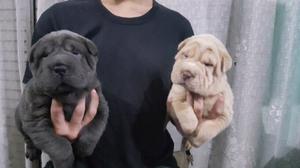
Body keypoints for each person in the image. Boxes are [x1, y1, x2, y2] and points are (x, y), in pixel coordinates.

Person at [23, 0, 223, 167]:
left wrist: (194, 120)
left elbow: (180, 104)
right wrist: (56, 137)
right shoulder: (59, 18)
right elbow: (32, 104)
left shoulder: (178, 28)